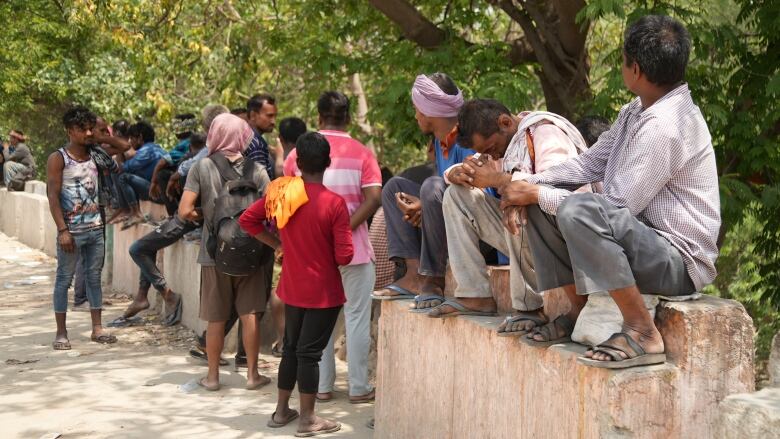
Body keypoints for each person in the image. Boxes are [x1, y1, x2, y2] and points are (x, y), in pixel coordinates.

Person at [503, 15, 719, 368]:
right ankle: (577, 309)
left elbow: (616, 206)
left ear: (634, 68)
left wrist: (535, 193)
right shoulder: (636, 111)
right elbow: (589, 164)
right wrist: (530, 185)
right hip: (645, 244)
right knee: (543, 203)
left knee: (576, 209)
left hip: (677, 263)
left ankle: (641, 330)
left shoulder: (665, 127)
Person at [432, 100, 591, 335]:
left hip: (568, 238)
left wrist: (497, 181)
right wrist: (455, 173)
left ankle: (529, 308)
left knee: (518, 206)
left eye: (490, 148)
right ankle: (475, 295)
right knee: (456, 195)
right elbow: (474, 167)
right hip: (532, 242)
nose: (491, 156)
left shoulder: (545, 133)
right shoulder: (507, 142)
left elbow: (553, 187)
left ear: (505, 123)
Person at [240, 131, 351, 437]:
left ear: (298, 162)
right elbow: (344, 255)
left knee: (291, 348)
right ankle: (308, 419)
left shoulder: (282, 193)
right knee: (309, 355)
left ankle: (280, 411)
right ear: (328, 162)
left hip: (291, 286)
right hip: (324, 292)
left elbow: (247, 221)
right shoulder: (334, 203)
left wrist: (278, 243)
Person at [284, 91, 381, 403]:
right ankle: (358, 388)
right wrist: (341, 230)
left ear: (318, 116)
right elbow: (374, 199)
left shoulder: (297, 154)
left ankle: (322, 387)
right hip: (355, 251)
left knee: (318, 319)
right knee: (356, 318)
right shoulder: (364, 154)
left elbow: (289, 201)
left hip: (312, 253)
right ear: (349, 118)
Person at [179, 113, 272, 390]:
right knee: (250, 313)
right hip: (252, 251)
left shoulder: (202, 167)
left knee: (216, 316)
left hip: (214, 253)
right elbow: (272, 207)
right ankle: (253, 376)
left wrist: (207, 216)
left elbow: (184, 210)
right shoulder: (257, 169)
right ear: (244, 137)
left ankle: (212, 377)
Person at [371, 73, 475, 311]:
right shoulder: (440, 141)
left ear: (429, 110)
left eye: (417, 108)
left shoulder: (467, 138)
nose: (416, 114)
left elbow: (474, 190)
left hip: (472, 227)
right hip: (446, 213)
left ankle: (433, 280)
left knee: (431, 187)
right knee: (394, 188)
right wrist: (425, 205)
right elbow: (441, 187)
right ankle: (413, 275)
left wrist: (427, 205)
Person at [116, 133, 207, 326]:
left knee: (137, 249)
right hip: (181, 218)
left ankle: (168, 295)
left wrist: (190, 212)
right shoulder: (197, 161)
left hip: (186, 221)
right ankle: (142, 297)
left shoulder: (201, 162)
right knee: (146, 247)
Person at [46, 106, 116, 350]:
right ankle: (61, 333)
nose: (87, 133)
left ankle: (97, 329)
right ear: (69, 131)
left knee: (94, 278)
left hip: (96, 227)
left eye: (90, 128)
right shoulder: (59, 158)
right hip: (71, 233)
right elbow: (53, 196)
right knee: (64, 279)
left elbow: (122, 149)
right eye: (82, 129)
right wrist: (62, 230)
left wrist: (100, 136)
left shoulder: (96, 154)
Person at [269, 116, 308, 357]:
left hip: (284, 234)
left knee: (279, 288)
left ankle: (283, 340)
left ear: (281, 140)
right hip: (309, 234)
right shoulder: (312, 158)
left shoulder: (286, 165)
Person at [115, 121, 167, 229]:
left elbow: (121, 169)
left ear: (140, 137)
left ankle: (135, 213)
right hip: (158, 192)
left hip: (158, 194)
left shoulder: (146, 151)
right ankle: (130, 212)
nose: (130, 142)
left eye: (131, 138)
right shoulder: (155, 148)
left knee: (123, 177)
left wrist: (119, 146)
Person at [149, 113, 198, 216]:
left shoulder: (185, 143)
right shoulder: (200, 139)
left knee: (162, 174)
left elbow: (162, 162)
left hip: (187, 181)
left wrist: (153, 183)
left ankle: (173, 215)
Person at [245, 94, 279, 179]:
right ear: (253, 115)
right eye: (269, 116)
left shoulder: (249, 137)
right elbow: (259, 183)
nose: (273, 121)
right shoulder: (255, 144)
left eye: (275, 116)